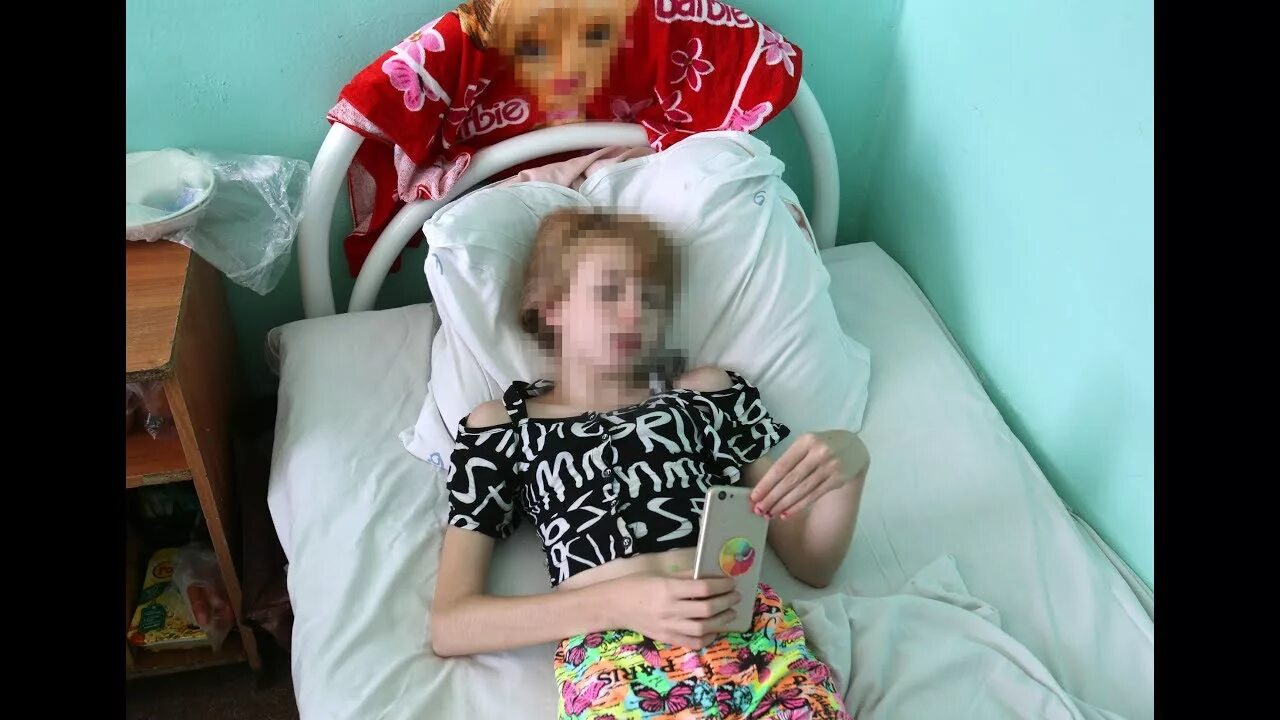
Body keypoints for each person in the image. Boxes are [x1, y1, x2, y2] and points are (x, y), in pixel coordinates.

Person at [432, 209, 870, 719]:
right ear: (549, 307)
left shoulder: (706, 396)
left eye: (651, 300)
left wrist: (853, 464)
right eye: (609, 292)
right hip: (616, 664)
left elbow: (812, 565)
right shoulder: (503, 427)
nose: (635, 314)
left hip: (757, 646)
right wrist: (620, 602)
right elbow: (452, 624)